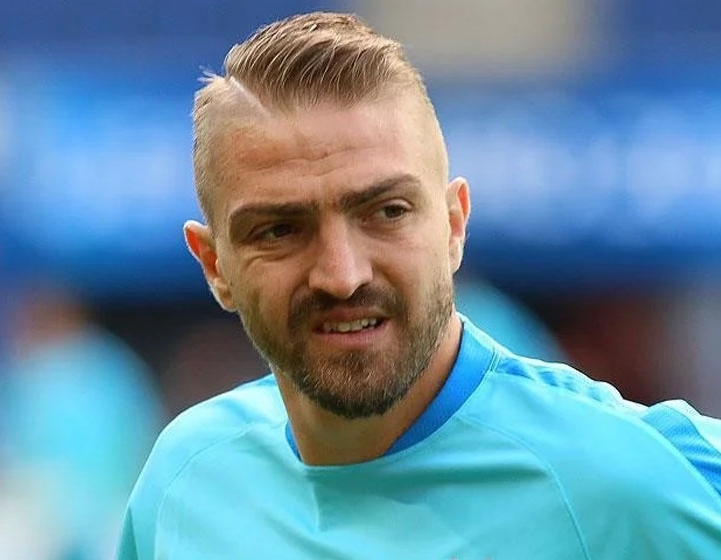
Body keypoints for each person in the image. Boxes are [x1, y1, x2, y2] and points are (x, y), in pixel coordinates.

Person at [118, 12, 721, 559]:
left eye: (387, 212)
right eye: (279, 230)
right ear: (214, 265)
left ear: (454, 226)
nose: (343, 275)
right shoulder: (184, 481)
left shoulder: (623, 478)